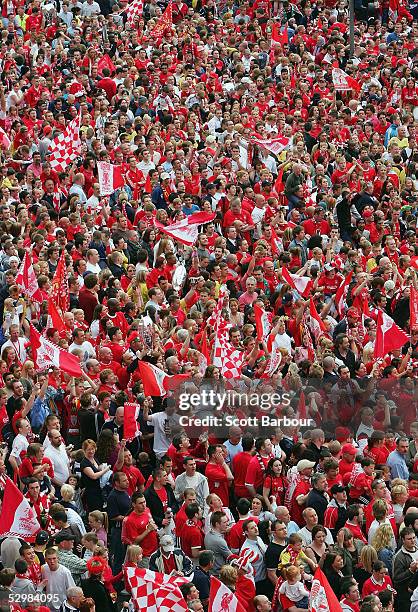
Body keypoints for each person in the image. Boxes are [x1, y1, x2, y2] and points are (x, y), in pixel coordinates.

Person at [41, 547, 76, 612]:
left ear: (58, 558)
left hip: (62, 607)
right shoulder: (44, 569)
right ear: (45, 559)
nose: (52, 561)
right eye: (49, 559)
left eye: (54, 558)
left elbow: (72, 591)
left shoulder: (65, 572)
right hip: (49, 606)